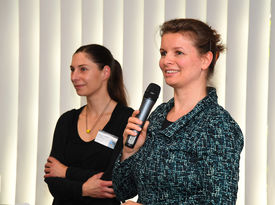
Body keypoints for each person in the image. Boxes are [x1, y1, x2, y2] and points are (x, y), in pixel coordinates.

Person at [112, 18, 244, 204]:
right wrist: (128, 151)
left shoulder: (218, 126)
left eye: (178, 52)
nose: (167, 61)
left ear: (205, 60)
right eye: (163, 53)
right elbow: (122, 190)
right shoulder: (158, 115)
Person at [44, 44, 134, 205]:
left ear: (105, 72)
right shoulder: (67, 120)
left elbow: (111, 181)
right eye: (72, 69)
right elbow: (52, 181)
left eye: (83, 69)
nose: (74, 77)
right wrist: (84, 189)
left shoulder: (126, 119)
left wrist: (65, 171)